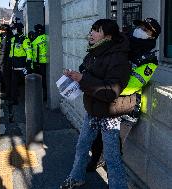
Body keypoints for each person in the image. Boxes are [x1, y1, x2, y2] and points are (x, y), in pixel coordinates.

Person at [59, 19, 131, 189]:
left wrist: (83, 79)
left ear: (108, 36)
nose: (91, 33)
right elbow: (84, 69)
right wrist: (73, 75)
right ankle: (77, 177)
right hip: (92, 110)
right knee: (82, 146)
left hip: (110, 113)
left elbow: (110, 91)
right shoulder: (93, 52)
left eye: (96, 30)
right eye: (92, 29)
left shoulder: (119, 58)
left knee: (112, 157)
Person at [87, 17, 162, 172]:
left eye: (145, 29)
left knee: (114, 148)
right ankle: (96, 161)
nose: (139, 30)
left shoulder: (150, 60)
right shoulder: (122, 43)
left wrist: (104, 81)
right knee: (97, 141)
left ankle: (114, 179)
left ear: (152, 37)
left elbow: (131, 84)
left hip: (126, 108)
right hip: (105, 102)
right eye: (140, 26)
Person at [9, 23, 32, 105]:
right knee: (13, 84)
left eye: (14, 29)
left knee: (27, 84)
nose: (13, 30)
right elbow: (11, 52)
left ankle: (31, 99)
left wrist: (28, 64)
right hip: (14, 65)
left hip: (22, 66)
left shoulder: (25, 39)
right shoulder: (13, 39)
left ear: (18, 29)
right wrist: (10, 60)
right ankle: (14, 100)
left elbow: (29, 52)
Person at [32, 24, 48, 100]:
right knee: (45, 79)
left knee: (40, 80)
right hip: (46, 61)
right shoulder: (46, 37)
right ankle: (45, 95)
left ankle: (41, 95)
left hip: (39, 63)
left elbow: (36, 52)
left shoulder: (37, 39)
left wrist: (36, 63)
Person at [0, 24, 12, 97]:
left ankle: (8, 94)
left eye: (1, 30)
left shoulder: (5, 38)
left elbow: (3, 52)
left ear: (5, 30)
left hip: (6, 61)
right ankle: (9, 93)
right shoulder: (9, 37)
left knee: (6, 78)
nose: (0, 31)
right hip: (9, 60)